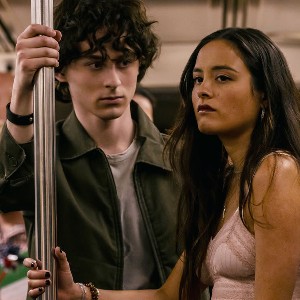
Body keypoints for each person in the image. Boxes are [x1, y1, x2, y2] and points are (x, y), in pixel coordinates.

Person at [25, 27, 300, 299]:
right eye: (197, 79)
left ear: (264, 91)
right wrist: (79, 293)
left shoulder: (276, 171)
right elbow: (169, 295)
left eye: (223, 78)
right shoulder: (224, 182)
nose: (204, 90)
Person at [0, 0, 182, 294]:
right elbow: (6, 195)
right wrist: (22, 89)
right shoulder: (47, 157)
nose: (113, 81)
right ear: (59, 71)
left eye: (124, 62)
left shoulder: (179, 158)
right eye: (95, 64)